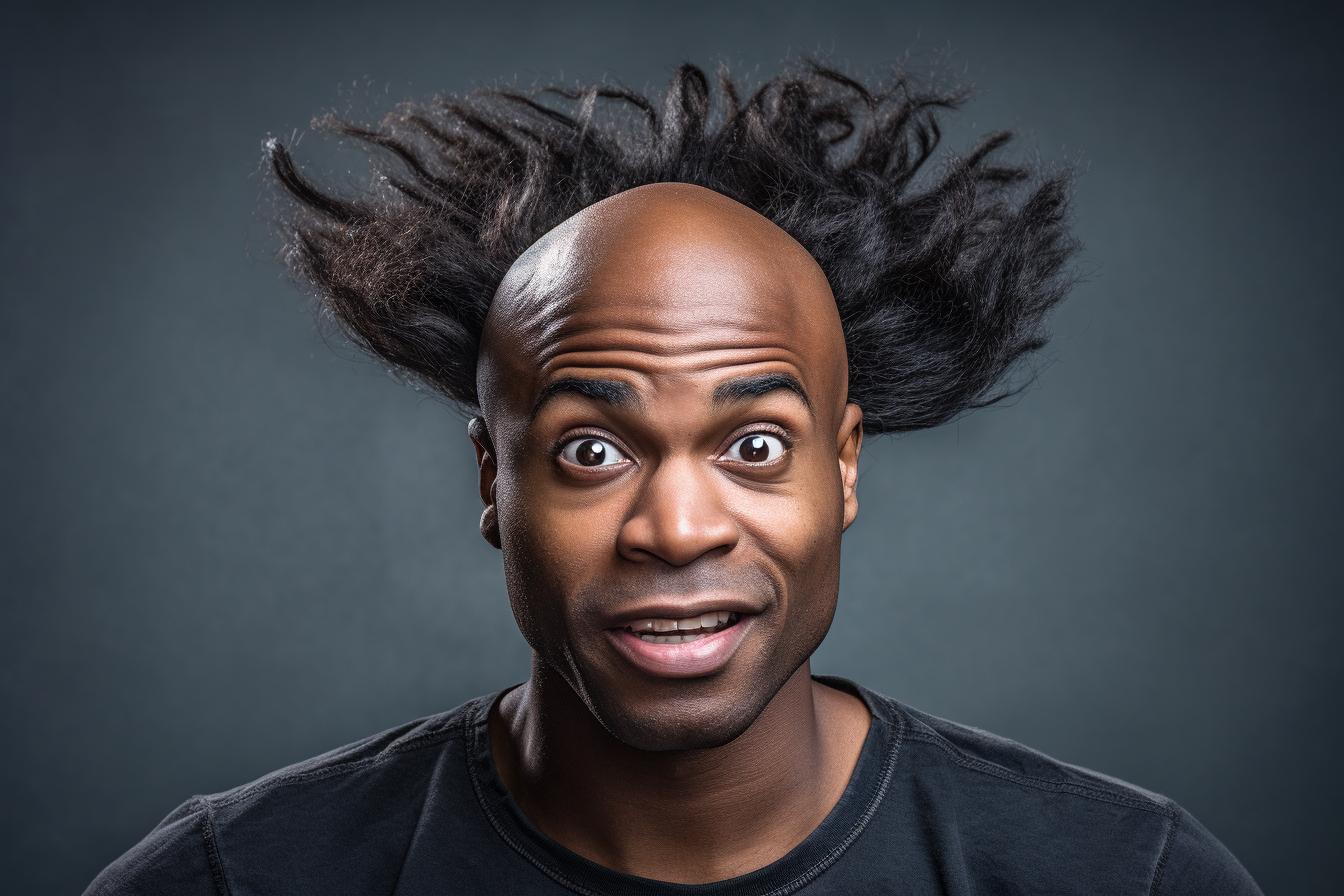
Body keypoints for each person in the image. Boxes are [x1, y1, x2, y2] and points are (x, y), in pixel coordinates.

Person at [86, 62, 1262, 894]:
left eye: (754, 445)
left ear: (842, 467)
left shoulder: (1122, 874)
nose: (678, 526)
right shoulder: (235, 877)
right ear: (494, 477)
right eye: (592, 451)